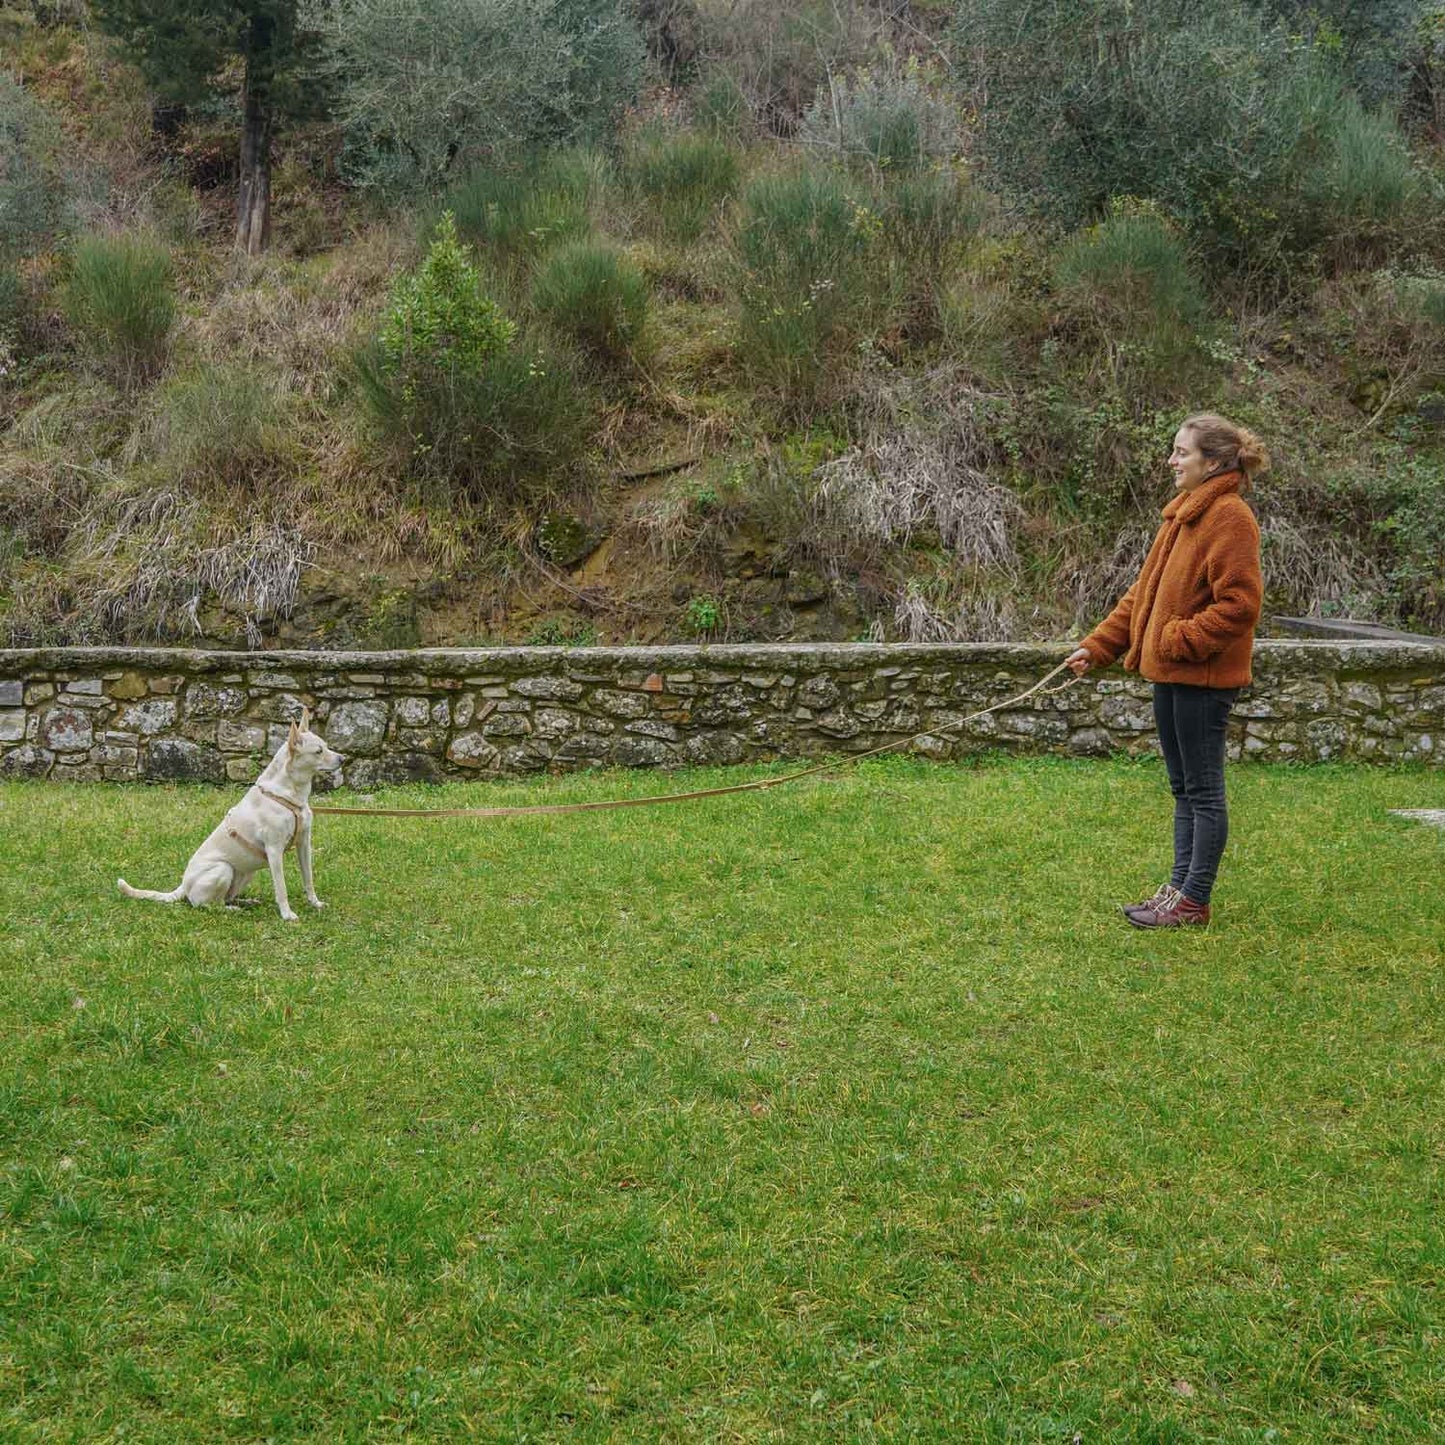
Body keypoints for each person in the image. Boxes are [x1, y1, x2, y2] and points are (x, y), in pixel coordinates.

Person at [1065, 413, 1266, 928]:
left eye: (1182, 452)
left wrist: (1177, 639)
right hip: (1172, 675)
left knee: (1203, 790)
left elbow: (1240, 606)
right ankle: (1175, 891)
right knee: (1183, 789)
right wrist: (1097, 647)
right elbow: (1143, 598)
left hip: (1202, 677)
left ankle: (1194, 900)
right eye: (1174, 451)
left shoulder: (1229, 517)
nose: (1172, 461)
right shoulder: (1183, 515)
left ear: (1214, 462)